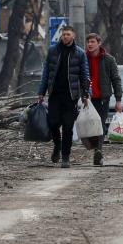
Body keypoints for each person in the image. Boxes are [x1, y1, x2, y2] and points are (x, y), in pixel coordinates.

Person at [37, 26, 90, 168]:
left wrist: (86, 94)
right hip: (54, 95)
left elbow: (85, 75)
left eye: (68, 34)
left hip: (71, 96)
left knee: (68, 127)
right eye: (63, 34)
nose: (65, 36)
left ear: (73, 36)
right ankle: (57, 146)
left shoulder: (79, 53)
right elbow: (46, 73)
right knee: (53, 123)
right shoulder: (53, 51)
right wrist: (41, 92)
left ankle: (65, 156)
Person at [85, 33, 122, 166]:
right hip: (86, 99)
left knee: (99, 125)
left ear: (99, 43)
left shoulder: (108, 60)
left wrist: (118, 99)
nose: (90, 44)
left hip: (102, 98)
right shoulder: (83, 59)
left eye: (93, 42)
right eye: (88, 42)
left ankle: (98, 151)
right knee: (89, 126)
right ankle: (94, 147)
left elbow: (116, 80)